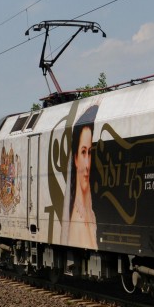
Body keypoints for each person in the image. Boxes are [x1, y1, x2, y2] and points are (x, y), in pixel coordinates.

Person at [63, 105, 98, 249]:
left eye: (90, 152)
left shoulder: (91, 213)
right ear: (76, 158)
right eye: (83, 152)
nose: (88, 164)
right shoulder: (75, 221)